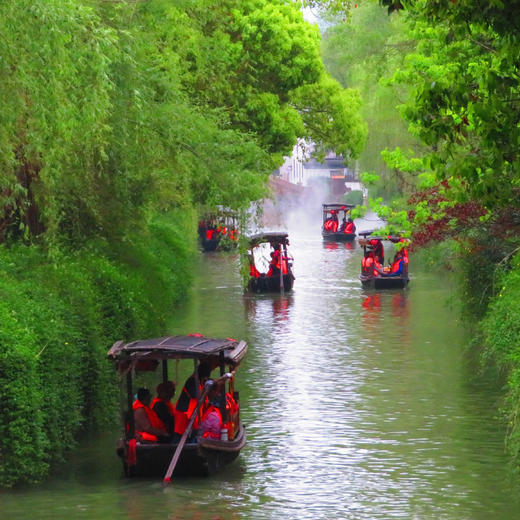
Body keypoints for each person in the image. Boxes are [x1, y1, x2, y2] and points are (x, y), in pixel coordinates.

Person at [174, 362, 211, 437]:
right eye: (205, 377)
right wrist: (206, 388)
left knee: (189, 436)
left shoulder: (199, 382)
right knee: (179, 436)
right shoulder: (192, 382)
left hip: (191, 416)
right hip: (184, 415)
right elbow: (196, 395)